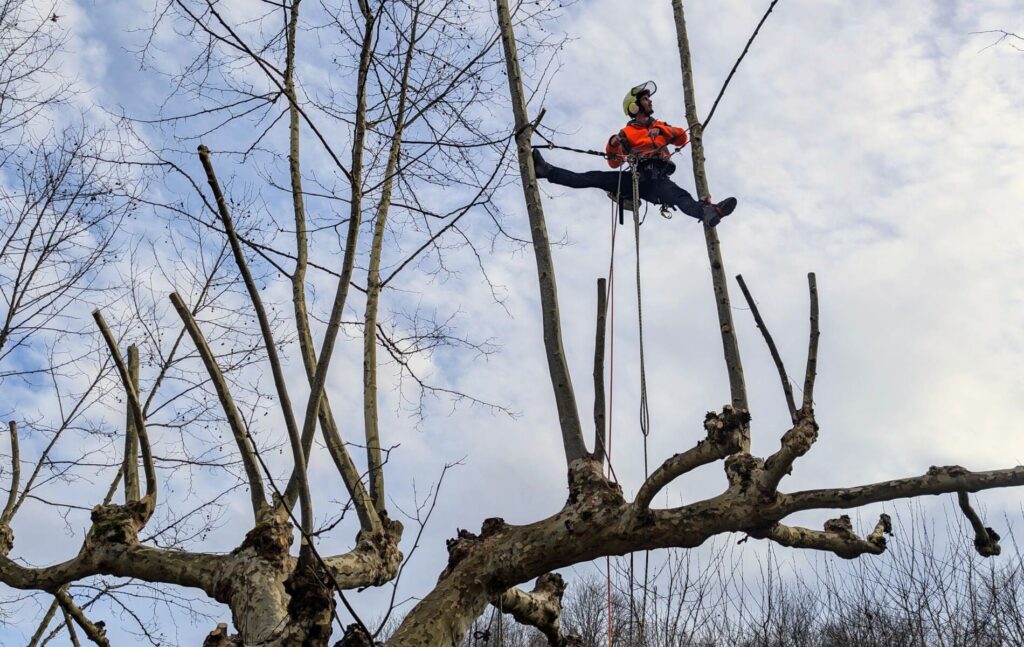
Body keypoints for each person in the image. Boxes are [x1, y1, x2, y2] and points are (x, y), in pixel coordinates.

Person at [532, 81, 737, 227]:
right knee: (592, 177)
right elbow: (614, 163)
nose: (650, 102)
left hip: (658, 180)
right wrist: (613, 144)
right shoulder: (627, 133)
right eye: (646, 99)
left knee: (680, 196)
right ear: (634, 106)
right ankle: (546, 171)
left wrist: (661, 131)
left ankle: (710, 212)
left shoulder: (660, 125)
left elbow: (682, 138)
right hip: (636, 178)